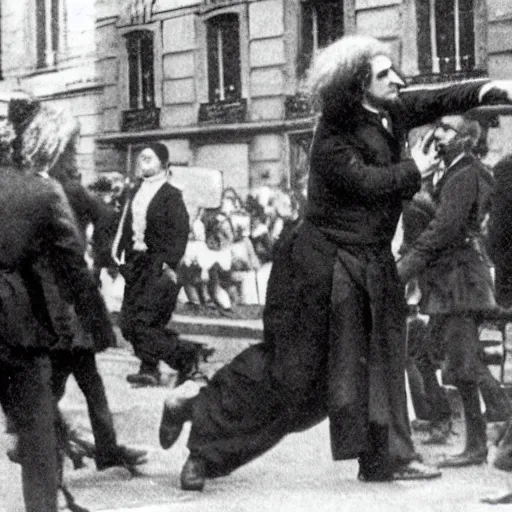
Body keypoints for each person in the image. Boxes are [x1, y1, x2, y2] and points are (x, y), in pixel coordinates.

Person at [159, 34, 512, 491]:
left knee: (379, 365)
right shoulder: (331, 135)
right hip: (320, 267)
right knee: (294, 378)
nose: (399, 80)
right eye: (384, 75)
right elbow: (365, 183)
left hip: (368, 264)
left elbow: (439, 98)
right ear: (357, 82)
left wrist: (490, 90)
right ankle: (199, 426)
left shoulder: (389, 111)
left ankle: (386, 458)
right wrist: (414, 171)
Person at [0, 93, 116, 511]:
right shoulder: (43, 192)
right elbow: (74, 268)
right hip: (16, 326)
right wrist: (100, 327)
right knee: (37, 437)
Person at [397, 114, 503, 468]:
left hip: (460, 282)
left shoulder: (466, 173)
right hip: (450, 282)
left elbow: (443, 230)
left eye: (447, 130)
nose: (438, 134)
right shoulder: (450, 171)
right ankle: (472, 439)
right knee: (433, 355)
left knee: (463, 363)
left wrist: (401, 272)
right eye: (438, 128)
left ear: (466, 139)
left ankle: (477, 446)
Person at [113, 142, 208, 387]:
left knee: (146, 322)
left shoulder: (171, 195)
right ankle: (163, 362)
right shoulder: (134, 192)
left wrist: (168, 265)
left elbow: (179, 232)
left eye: (148, 158)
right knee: (127, 322)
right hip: (136, 264)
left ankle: (178, 359)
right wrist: (121, 259)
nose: (142, 162)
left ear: (163, 164)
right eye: (141, 158)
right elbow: (124, 227)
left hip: (159, 265)